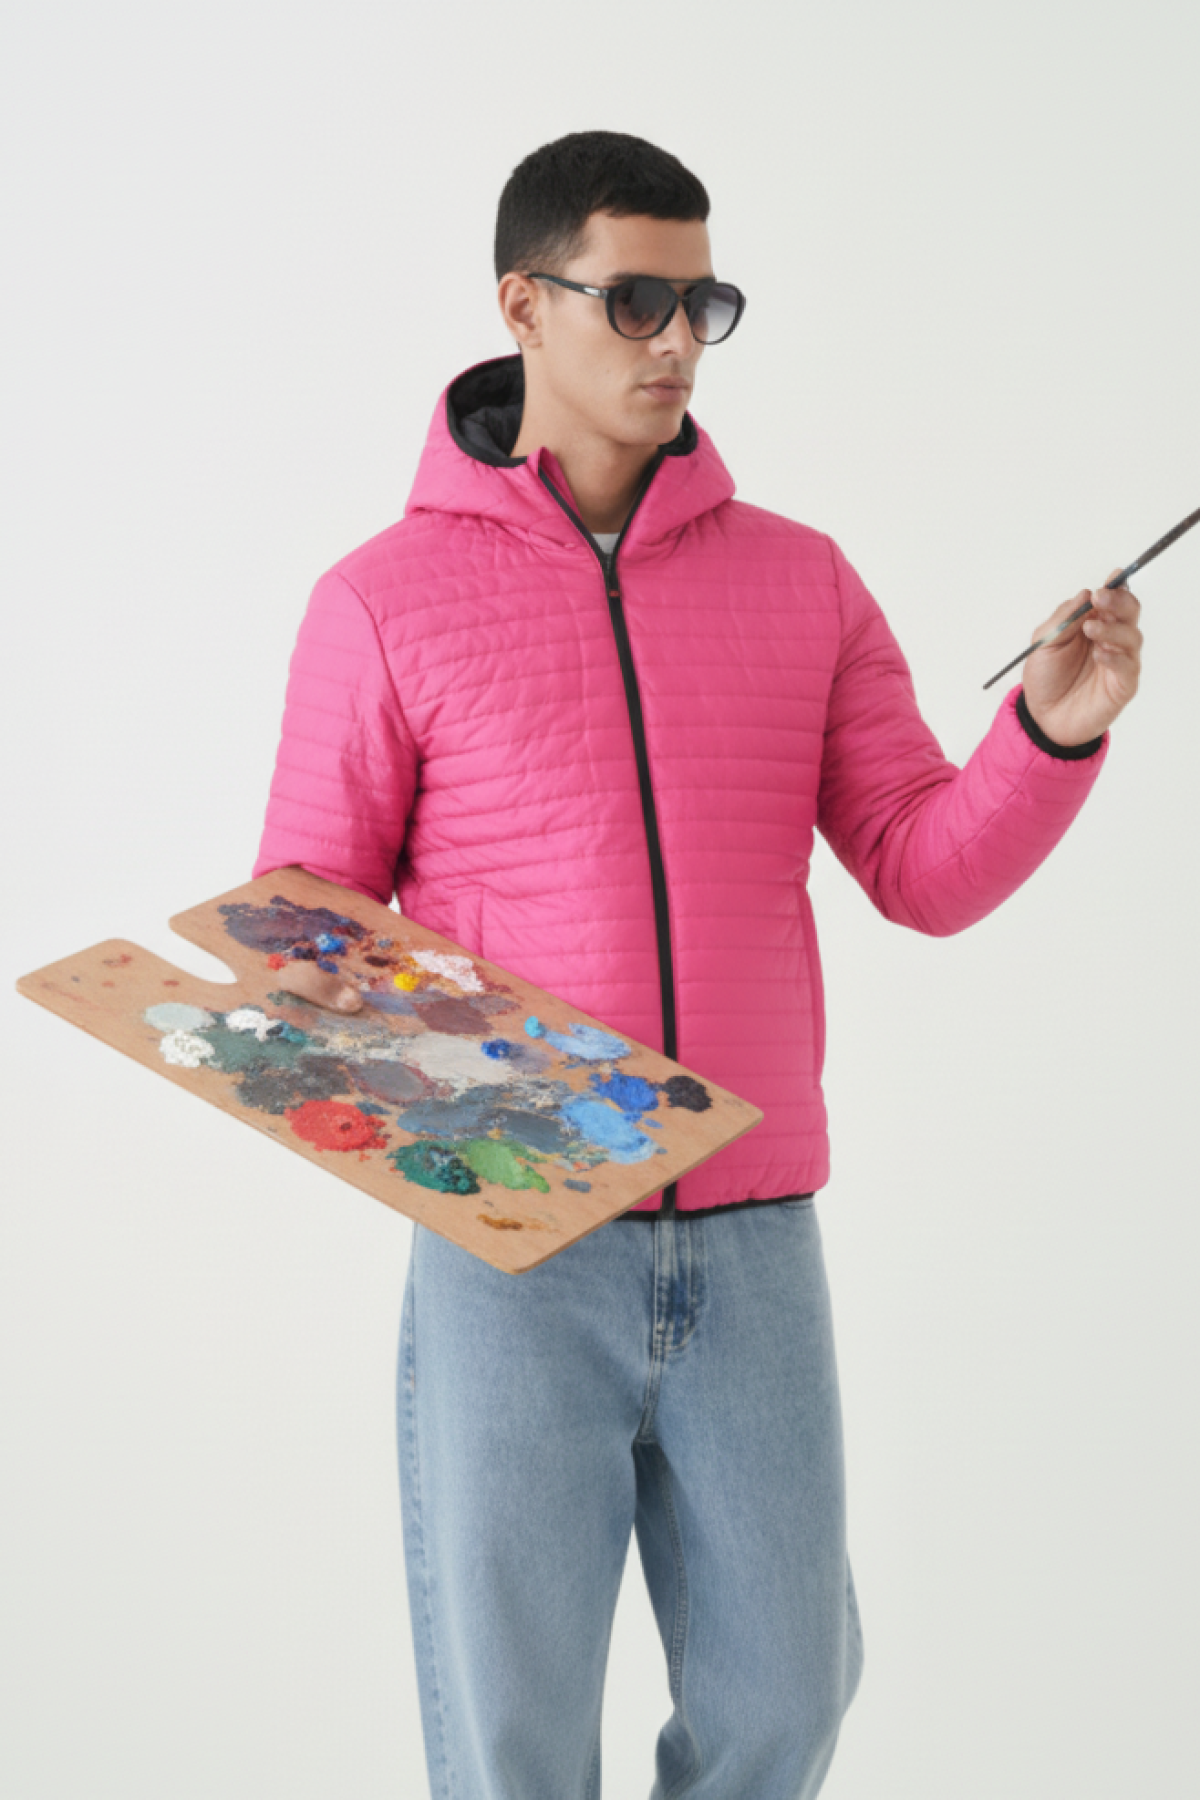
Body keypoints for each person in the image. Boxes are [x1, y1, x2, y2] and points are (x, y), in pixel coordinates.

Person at [252, 130, 1143, 1800]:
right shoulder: (383, 601)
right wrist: (381, 1044)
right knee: (516, 1744)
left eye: (703, 304)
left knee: (786, 1701)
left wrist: (1047, 734)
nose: (677, 341)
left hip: (752, 1239)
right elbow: (306, 921)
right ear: (524, 305)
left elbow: (921, 866)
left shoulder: (801, 580)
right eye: (636, 300)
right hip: (517, 1245)